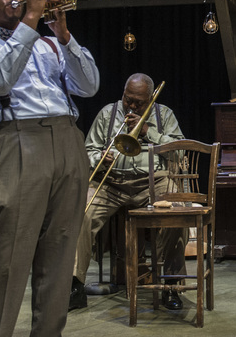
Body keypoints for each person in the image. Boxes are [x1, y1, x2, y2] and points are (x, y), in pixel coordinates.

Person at [0, 0, 100, 336]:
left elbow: (90, 86)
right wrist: (32, 18)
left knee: (60, 255)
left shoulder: (49, 44)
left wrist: (64, 36)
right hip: (17, 144)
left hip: (68, 140)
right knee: (7, 259)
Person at [69, 73, 189, 311]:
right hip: (112, 182)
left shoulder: (164, 115)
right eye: (128, 99)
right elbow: (88, 149)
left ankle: (171, 285)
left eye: (139, 102)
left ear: (151, 99)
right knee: (80, 212)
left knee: (178, 213)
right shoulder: (107, 114)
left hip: (154, 182)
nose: (132, 106)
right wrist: (100, 158)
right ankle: (74, 286)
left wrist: (148, 132)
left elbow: (180, 152)